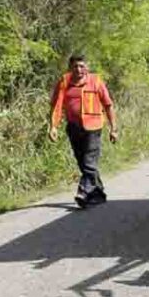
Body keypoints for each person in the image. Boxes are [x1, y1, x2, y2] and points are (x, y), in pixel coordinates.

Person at [48, 54, 118, 208]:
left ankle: (83, 191)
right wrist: (53, 126)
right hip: (74, 127)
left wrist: (113, 128)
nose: (79, 70)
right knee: (83, 163)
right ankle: (98, 193)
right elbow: (56, 105)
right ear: (70, 68)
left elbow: (108, 105)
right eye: (75, 67)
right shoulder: (64, 82)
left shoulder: (96, 81)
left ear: (87, 67)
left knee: (89, 161)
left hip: (94, 127)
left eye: (82, 66)